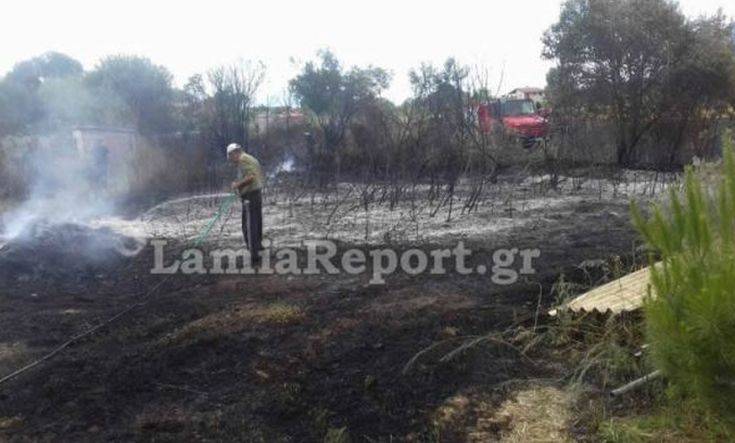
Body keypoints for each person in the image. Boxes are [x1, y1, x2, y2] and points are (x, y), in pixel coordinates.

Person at [227, 143, 264, 266]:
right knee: (256, 221)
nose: (231, 161)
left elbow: (251, 177)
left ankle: (254, 255)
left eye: (231, 157)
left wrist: (237, 185)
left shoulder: (243, 160)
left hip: (250, 196)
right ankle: (258, 246)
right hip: (255, 194)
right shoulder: (250, 158)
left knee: (249, 224)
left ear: (234, 153)